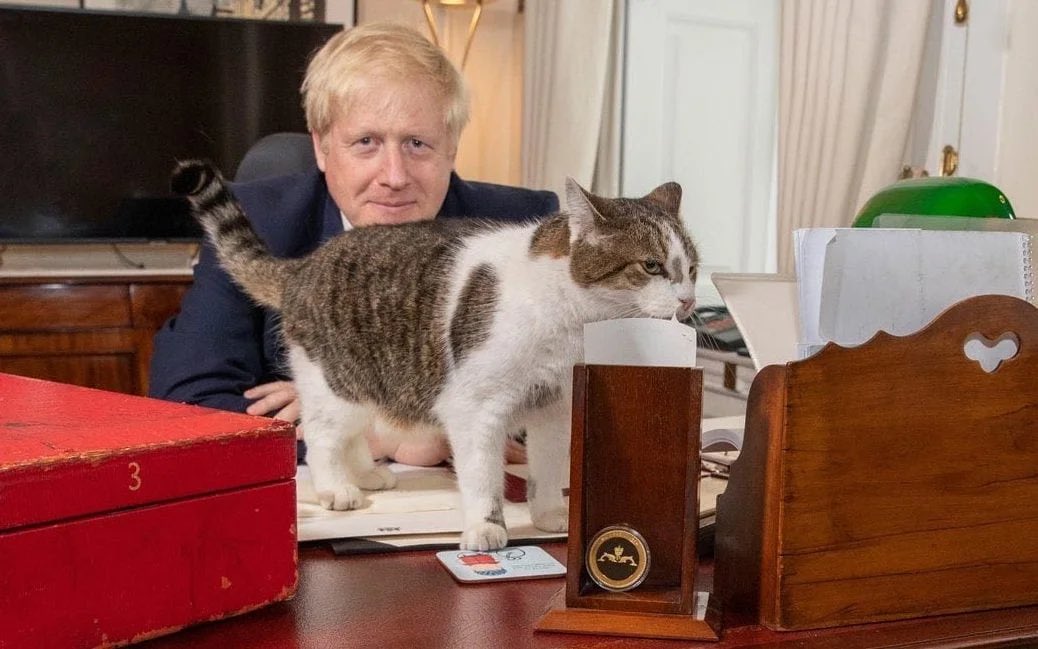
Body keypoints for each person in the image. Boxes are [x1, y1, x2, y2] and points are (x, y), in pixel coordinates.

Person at [149, 22, 558, 465]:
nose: (395, 176)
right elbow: (186, 404)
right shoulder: (257, 220)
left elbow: (569, 409)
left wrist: (395, 421)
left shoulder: (521, 230)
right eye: (366, 143)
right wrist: (380, 438)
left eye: (418, 144)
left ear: (452, 148)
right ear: (322, 148)